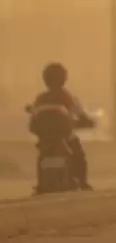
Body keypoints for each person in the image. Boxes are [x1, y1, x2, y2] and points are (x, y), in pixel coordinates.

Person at [28, 62, 94, 190]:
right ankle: (82, 182)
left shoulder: (41, 98)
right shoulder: (68, 97)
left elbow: (33, 120)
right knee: (78, 152)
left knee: (43, 152)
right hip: (62, 136)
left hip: (47, 137)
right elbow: (81, 115)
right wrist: (87, 122)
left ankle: (41, 182)